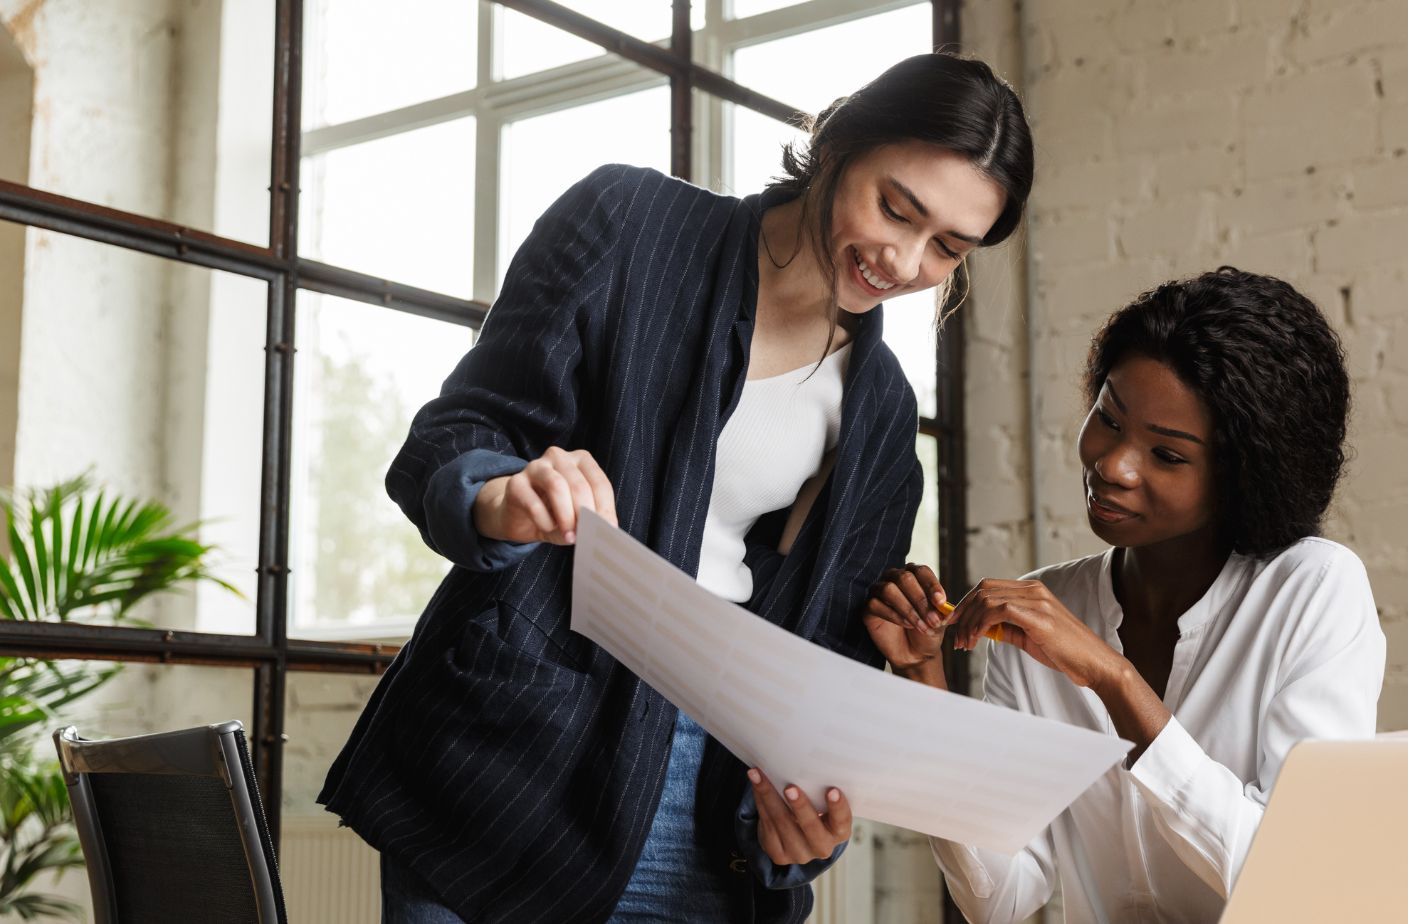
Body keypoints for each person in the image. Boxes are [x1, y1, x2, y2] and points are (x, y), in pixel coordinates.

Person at [318, 53, 1034, 924]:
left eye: (947, 248)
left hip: (714, 808)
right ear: (841, 142)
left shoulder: (881, 410)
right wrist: (503, 495)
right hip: (518, 763)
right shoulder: (628, 223)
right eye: (896, 207)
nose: (904, 258)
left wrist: (809, 827)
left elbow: (828, 666)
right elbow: (455, 433)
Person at [865, 267, 1386, 923]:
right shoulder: (1041, 607)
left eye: (1167, 455)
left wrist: (1114, 680)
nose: (1113, 465)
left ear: (1244, 476)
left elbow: (1295, 881)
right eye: (1108, 418)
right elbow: (1000, 898)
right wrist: (923, 678)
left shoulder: (1311, 591)